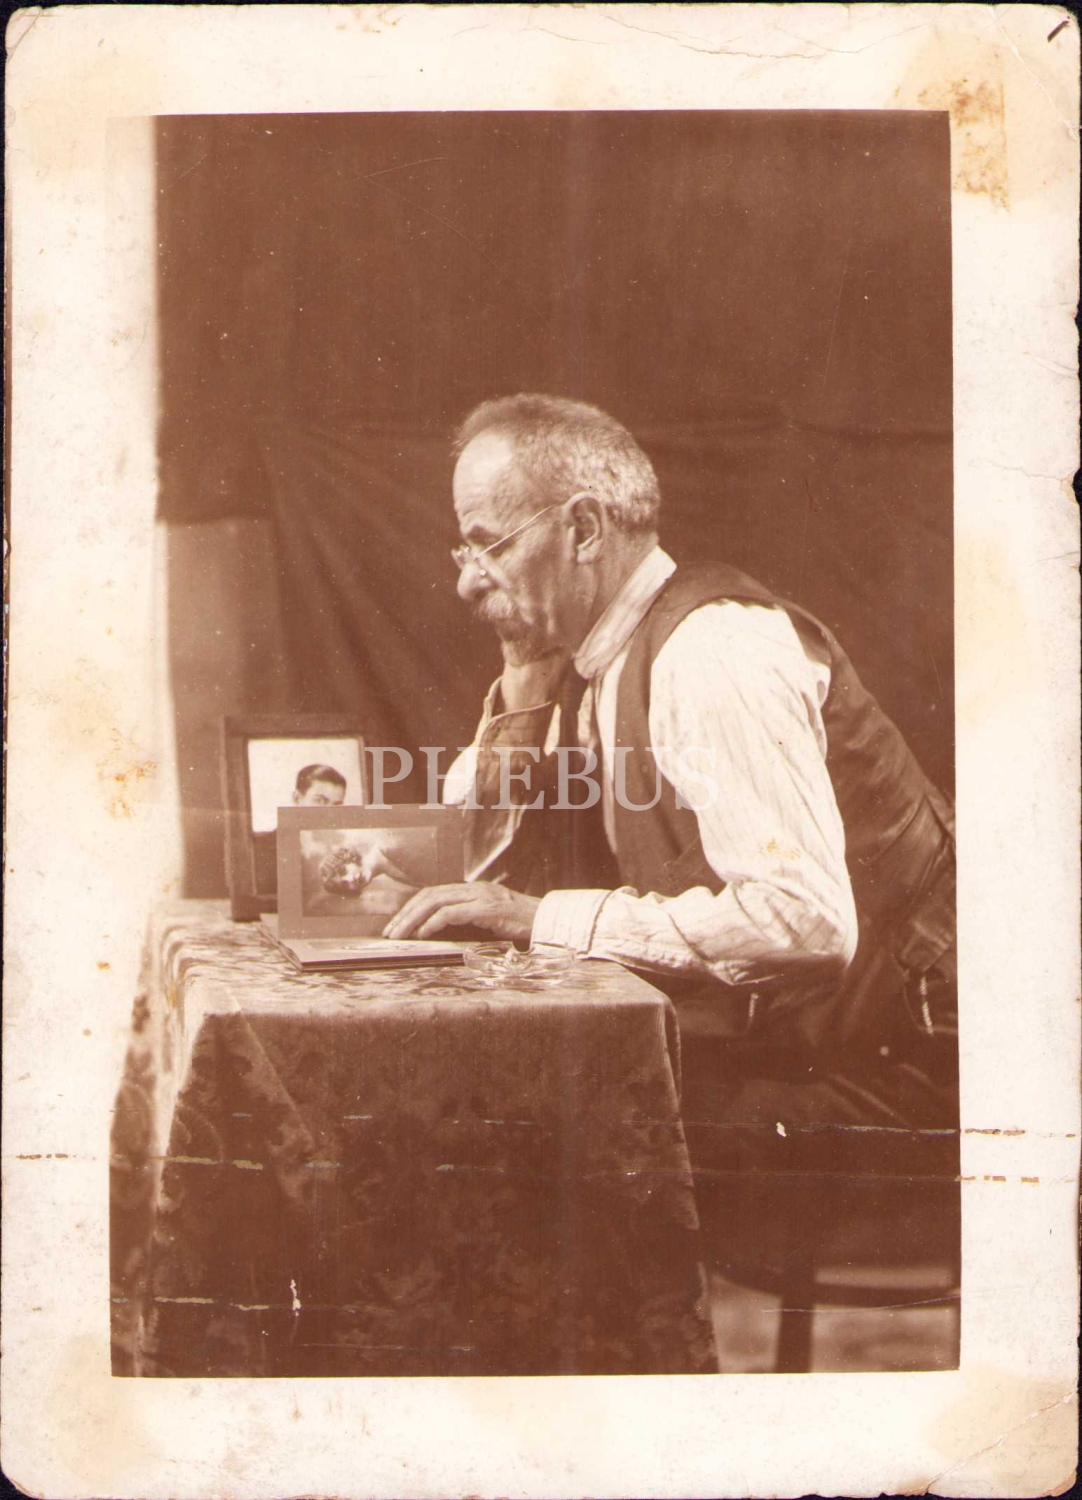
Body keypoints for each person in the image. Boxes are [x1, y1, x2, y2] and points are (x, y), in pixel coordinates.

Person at [386, 394, 958, 1262]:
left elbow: (802, 921)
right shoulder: (594, 664)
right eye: (463, 553)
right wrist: (526, 689)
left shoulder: (712, 652)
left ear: (583, 530)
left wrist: (537, 918)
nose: (467, 583)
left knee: (508, 1139)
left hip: (918, 1070)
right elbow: (478, 868)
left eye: (490, 546)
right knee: (474, 1108)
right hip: (805, 1041)